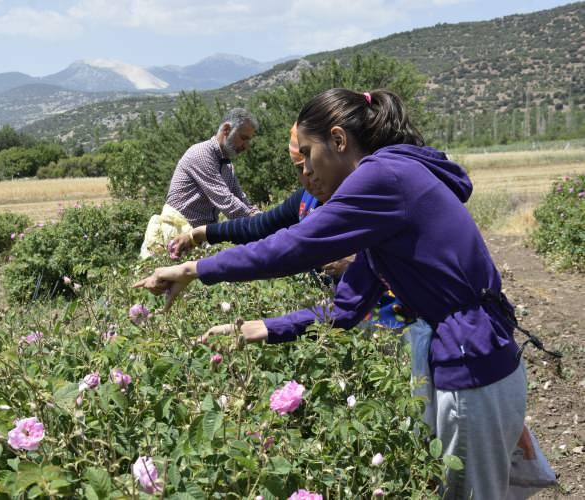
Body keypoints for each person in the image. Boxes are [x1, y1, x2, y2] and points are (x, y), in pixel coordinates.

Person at [135, 89, 546, 498]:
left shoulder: (381, 177)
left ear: (338, 140)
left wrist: (195, 268)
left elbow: (294, 245)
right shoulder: (386, 197)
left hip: (473, 363)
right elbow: (347, 309)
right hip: (477, 360)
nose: (307, 174)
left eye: (309, 155)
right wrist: (262, 328)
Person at [169, 123, 416, 331]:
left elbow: (409, 255)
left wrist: (357, 260)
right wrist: (202, 234)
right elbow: (259, 227)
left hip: (399, 324)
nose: (307, 176)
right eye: (299, 169)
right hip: (345, 318)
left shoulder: (375, 200)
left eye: (309, 165)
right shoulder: (306, 201)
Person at [140, 108, 260, 258]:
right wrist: (260, 225)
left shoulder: (227, 165)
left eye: (249, 140)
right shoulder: (202, 154)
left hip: (196, 238)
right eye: (243, 138)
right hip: (176, 236)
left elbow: (241, 200)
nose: (246, 146)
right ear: (227, 129)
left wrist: (264, 218)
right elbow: (227, 202)